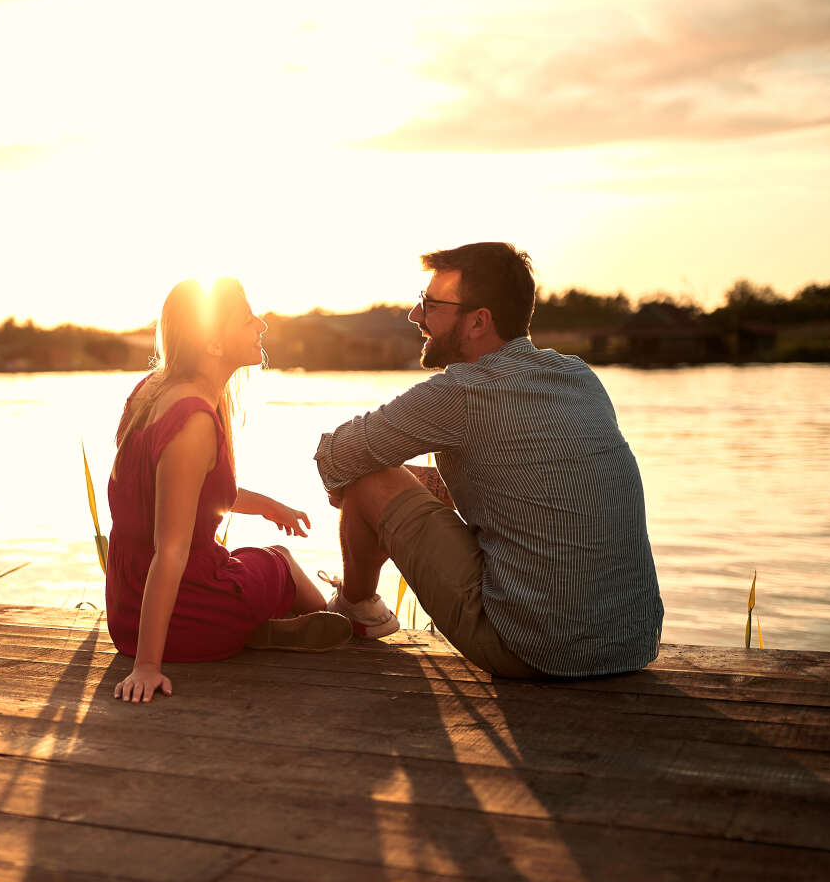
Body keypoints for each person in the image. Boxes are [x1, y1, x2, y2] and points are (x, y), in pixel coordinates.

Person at [314, 242, 663, 679]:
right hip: (631, 643)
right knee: (378, 470)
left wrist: (353, 493)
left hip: (533, 651)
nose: (415, 315)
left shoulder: (462, 392)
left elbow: (334, 458)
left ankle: (357, 610)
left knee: (367, 477)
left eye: (431, 304)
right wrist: (427, 483)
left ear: (479, 321)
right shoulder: (579, 376)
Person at [106, 277, 352, 703]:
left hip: (128, 613)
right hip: (184, 619)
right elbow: (171, 551)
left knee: (251, 560)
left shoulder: (149, 391)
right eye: (246, 319)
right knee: (280, 561)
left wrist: (268, 506)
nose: (261, 325)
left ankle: (263, 630)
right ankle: (343, 618)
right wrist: (147, 666)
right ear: (214, 345)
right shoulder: (193, 418)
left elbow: (183, 494)